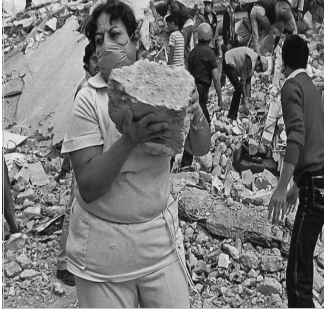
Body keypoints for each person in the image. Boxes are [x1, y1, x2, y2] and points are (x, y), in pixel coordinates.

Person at [61, 0, 211, 306]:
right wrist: (130, 139)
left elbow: (201, 147)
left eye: (115, 34)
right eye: (99, 40)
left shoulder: (164, 82)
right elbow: (88, 186)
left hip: (158, 244)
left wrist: (195, 112)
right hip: (103, 256)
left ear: (134, 39)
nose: (106, 46)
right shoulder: (89, 99)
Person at [264, 34, 324, 308]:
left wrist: (281, 188)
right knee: (300, 266)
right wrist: (296, 186)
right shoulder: (310, 85)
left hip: (316, 187)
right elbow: (317, 139)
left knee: (297, 276)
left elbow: (296, 138)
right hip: (323, 182)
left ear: (283, 60)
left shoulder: (291, 85)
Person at [179, 23, 217, 169]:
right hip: (201, 91)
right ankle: (191, 160)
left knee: (197, 122)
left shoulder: (193, 52)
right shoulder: (210, 53)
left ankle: (196, 157)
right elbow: (216, 77)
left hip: (192, 90)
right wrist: (219, 95)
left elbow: (189, 72)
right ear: (210, 37)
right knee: (198, 123)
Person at [221, 46, 267, 120]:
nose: (258, 72)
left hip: (232, 63)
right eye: (260, 70)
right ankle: (232, 116)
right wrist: (245, 99)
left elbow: (247, 83)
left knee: (240, 88)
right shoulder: (249, 61)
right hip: (228, 61)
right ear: (259, 63)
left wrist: (247, 99)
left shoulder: (253, 64)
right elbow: (242, 82)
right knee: (238, 88)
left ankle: (238, 111)